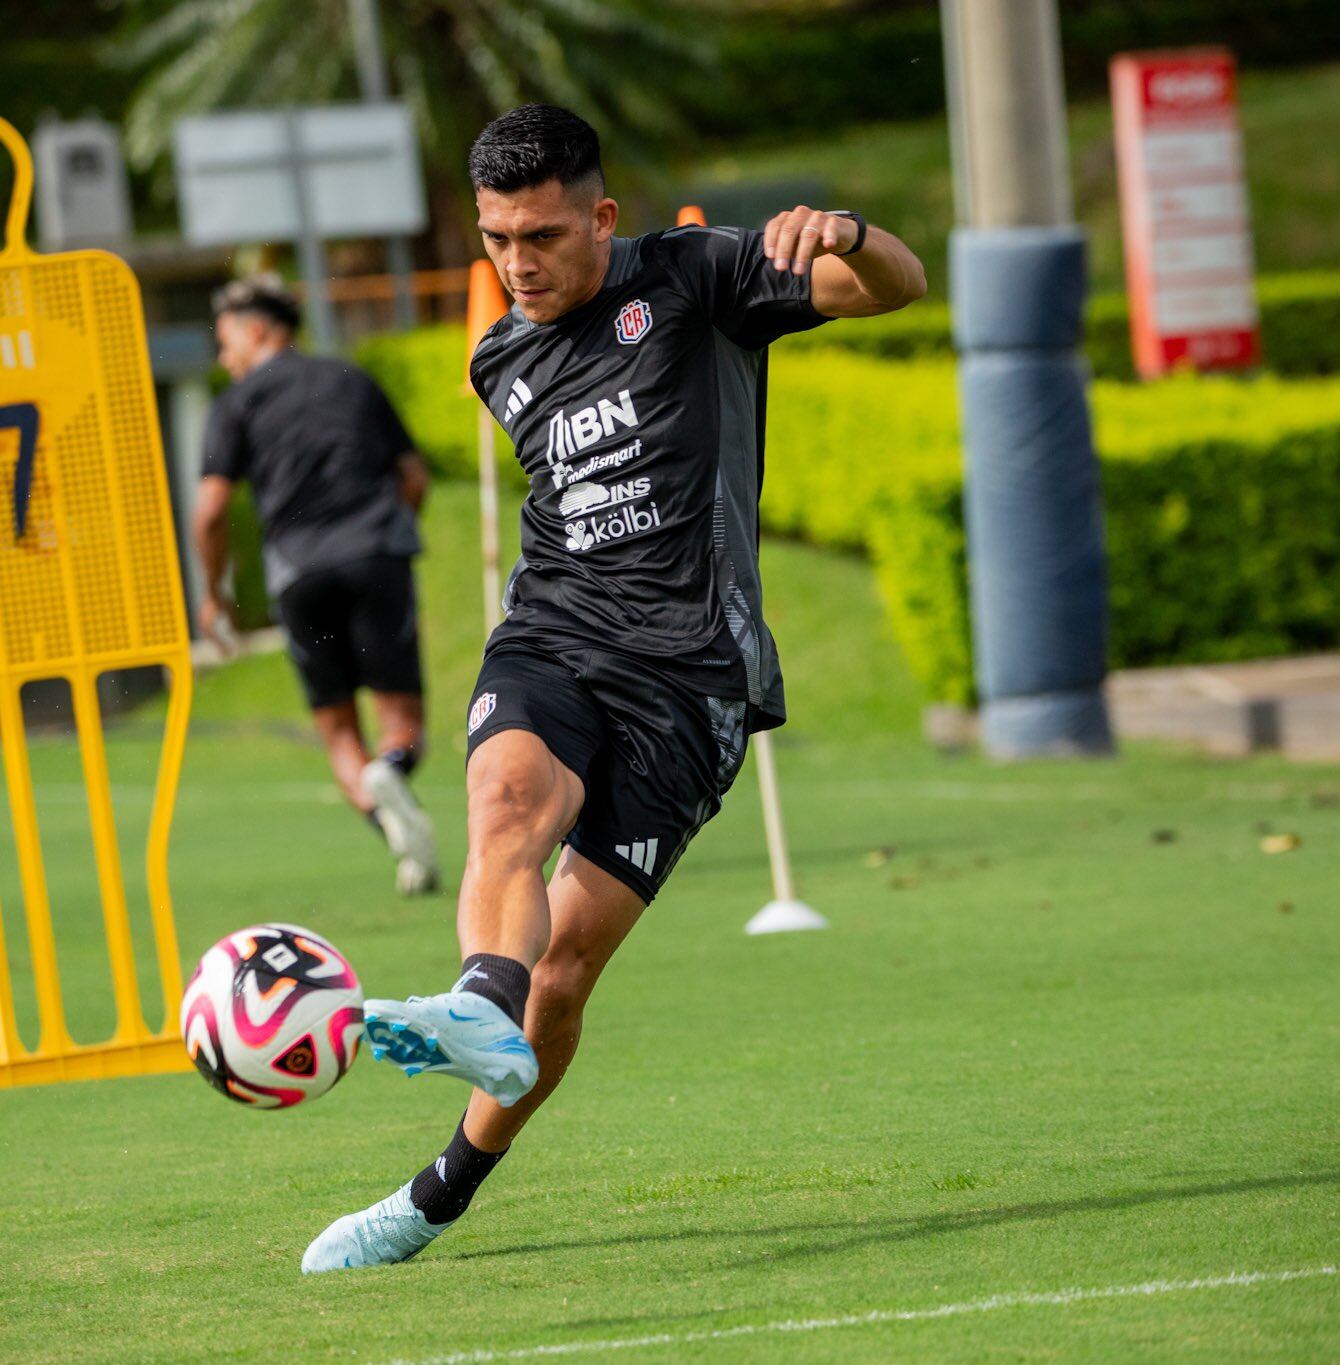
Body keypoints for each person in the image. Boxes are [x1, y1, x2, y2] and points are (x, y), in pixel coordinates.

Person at [301, 105, 926, 1271]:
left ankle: (436, 1194)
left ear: (598, 216)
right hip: (555, 631)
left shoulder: (697, 279)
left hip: (691, 679)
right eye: (495, 239)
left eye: (539, 235)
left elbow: (892, 285)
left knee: (567, 974)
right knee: (503, 807)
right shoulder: (498, 356)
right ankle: (474, 1006)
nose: (516, 265)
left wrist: (841, 230)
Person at [191, 278, 441, 895]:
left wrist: (215, 591)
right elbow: (412, 476)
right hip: (375, 555)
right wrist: (392, 531)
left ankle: (401, 844)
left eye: (226, 344)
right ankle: (394, 771)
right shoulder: (350, 380)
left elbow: (210, 511)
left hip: (299, 574)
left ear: (256, 332)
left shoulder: (236, 405)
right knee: (401, 720)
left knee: (336, 731)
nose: (225, 360)